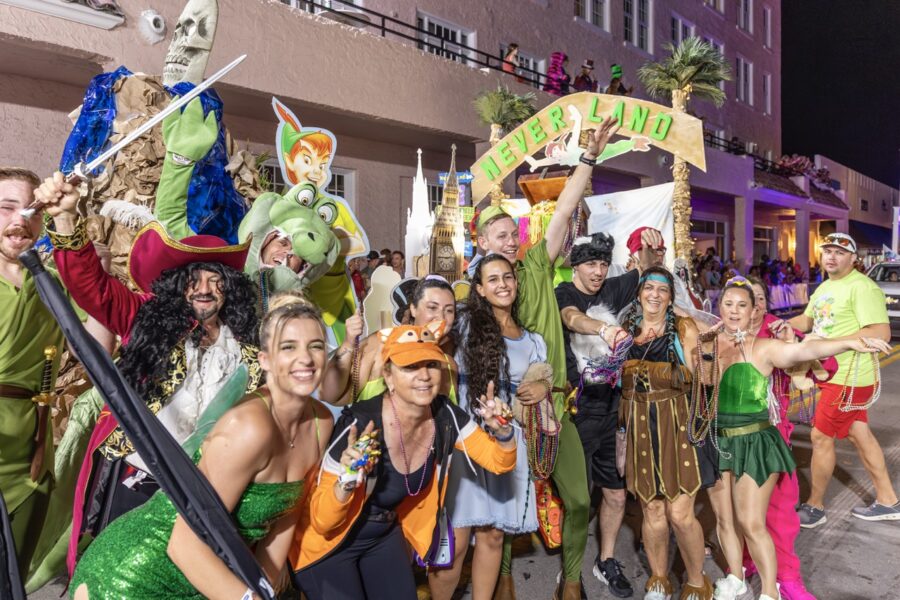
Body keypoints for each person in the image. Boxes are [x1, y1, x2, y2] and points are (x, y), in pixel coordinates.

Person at [34, 172, 262, 557]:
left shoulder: (248, 348)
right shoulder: (145, 317)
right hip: (138, 476)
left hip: (209, 490)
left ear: (229, 287)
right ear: (177, 284)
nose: (204, 289)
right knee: (111, 571)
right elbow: (92, 287)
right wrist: (65, 218)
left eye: (215, 280)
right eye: (193, 280)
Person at [69, 298, 335, 599]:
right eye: (288, 347)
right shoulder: (249, 428)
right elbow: (183, 545)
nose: (305, 358)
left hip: (214, 581)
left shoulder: (320, 423)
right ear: (264, 360)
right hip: (136, 575)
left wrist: (262, 591)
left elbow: (284, 523)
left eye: (316, 346)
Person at [470, 116, 619, 600]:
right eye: (500, 235)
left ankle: (571, 580)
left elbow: (564, 209)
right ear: (482, 244)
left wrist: (589, 157)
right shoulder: (477, 297)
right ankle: (504, 578)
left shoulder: (535, 265)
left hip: (556, 406)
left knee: (577, 498)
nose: (511, 240)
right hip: (506, 414)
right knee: (504, 506)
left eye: (513, 232)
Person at [289, 323, 518, 599]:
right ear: (388, 376)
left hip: (381, 533)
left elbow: (499, 462)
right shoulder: (360, 423)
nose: (424, 376)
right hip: (327, 544)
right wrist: (346, 481)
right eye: (410, 367)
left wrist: (504, 433)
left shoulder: (445, 415)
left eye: (431, 364)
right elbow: (323, 521)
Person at [703, 276, 889, 600]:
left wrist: (848, 342)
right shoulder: (709, 342)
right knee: (725, 519)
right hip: (719, 441)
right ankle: (736, 577)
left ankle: (773, 591)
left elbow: (805, 349)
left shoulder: (765, 345)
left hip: (757, 441)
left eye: (743, 304)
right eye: (728, 304)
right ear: (719, 307)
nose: (735, 310)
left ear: (755, 310)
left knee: (756, 521)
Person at [0, 168, 112, 579]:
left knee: (10, 577)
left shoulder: (50, 283)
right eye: (6, 207)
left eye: (31, 208)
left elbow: (97, 352)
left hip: (30, 457)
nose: (20, 218)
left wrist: (97, 279)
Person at [553, 231, 662, 598]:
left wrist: (648, 245)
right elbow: (571, 319)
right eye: (590, 264)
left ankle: (606, 560)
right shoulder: (564, 294)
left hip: (614, 410)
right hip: (578, 411)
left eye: (602, 263)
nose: (598, 271)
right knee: (579, 501)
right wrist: (604, 328)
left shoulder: (613, 288)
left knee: (615, 495)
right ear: (576, 266)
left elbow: (645, 269)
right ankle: (570, 573)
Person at [430, 254, 544, 600]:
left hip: (507, 438)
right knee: (456, 537)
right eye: (492, 279)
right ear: (479, 288)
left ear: (516, 282)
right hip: (466, 435)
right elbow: (430, 350)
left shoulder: (532, 340)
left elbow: (540, 383)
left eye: (507, 277)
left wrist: (542, 387)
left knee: (494, 535)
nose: (502, 285)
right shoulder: (463, 324)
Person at [787, 233, 900, 526]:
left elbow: (881, 332)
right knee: (859, 434)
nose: (832, 256)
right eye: (828, 251)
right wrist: (780, 325)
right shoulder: (825, 287)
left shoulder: (862, 287)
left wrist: (830, 342)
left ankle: (815, 507)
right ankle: (888, 500)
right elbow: (808, 320)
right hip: (833, 374)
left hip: (850, 378)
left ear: (853, 258)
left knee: (820, 436)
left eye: (839, 252)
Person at [619, 267, 716, 600]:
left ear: (671, 297)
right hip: (639, 427)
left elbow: (704, 375)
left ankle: (696, 581)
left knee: (680, 513)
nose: (655, 295)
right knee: (652, 511)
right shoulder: (626, 330)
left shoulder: (684, 328)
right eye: (649, 288)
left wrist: (704, 347)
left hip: (677, 426)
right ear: (639, 293)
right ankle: (659, 579)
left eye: (662, 290)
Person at [740, 277, 827, 600]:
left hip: (772, 435)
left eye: (760, 298)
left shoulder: (778, 330)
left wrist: (793, 339)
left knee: (780, 508)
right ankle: (747, 561)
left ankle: (787, 577)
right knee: (740, 509)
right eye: (747, 299)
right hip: (733, 435)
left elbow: (823, 363)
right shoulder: (728, 331)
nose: (755, 305)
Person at [324, 276, 458, 406]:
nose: (441, 317)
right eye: (432, 308)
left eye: (449, 310)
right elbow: (330, 394)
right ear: (413, 309)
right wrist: (348, 343)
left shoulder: (449, 365)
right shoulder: (380, 345)